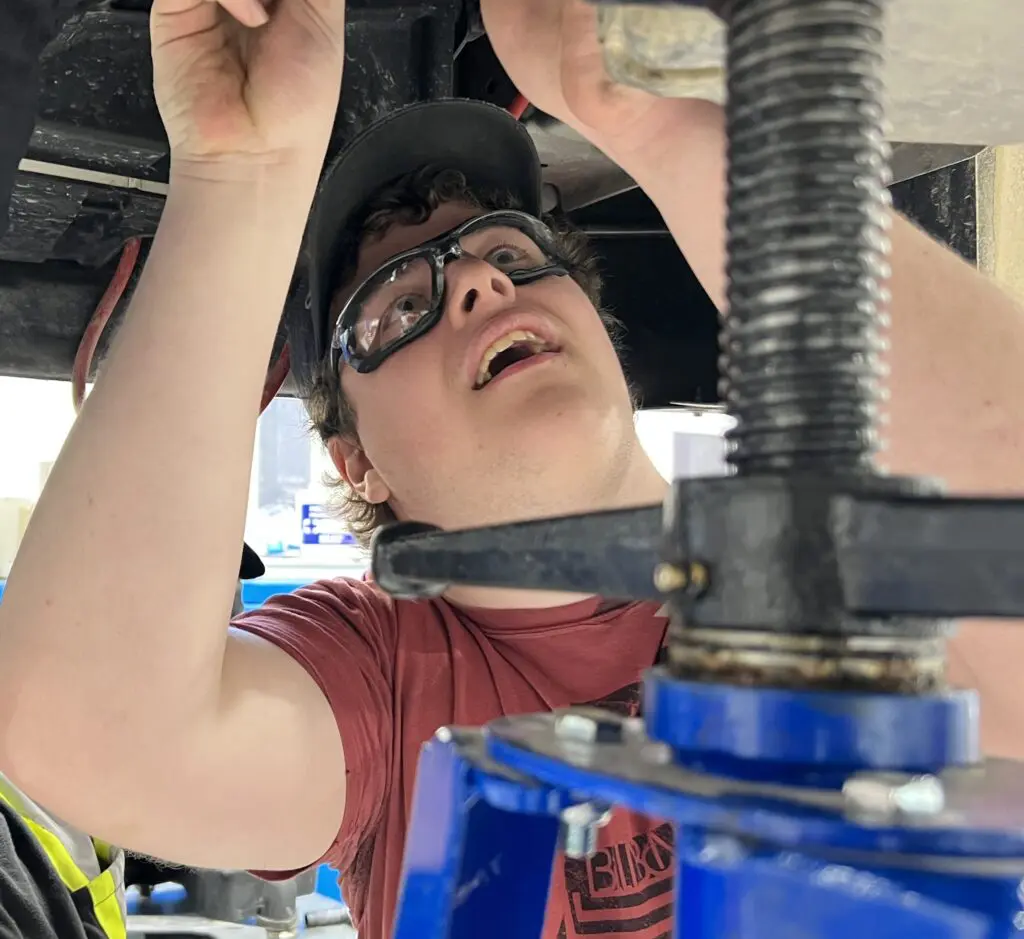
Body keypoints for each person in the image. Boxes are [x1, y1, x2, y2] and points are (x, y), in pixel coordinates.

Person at [1, 0, 1023, 937]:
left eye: (515, 251)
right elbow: (97, 732)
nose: (481, 279)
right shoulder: (383, 676)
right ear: (357, 462)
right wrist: (242, 169)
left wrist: (640, 113)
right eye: (397, 306)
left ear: (608, 345)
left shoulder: (836, 583)